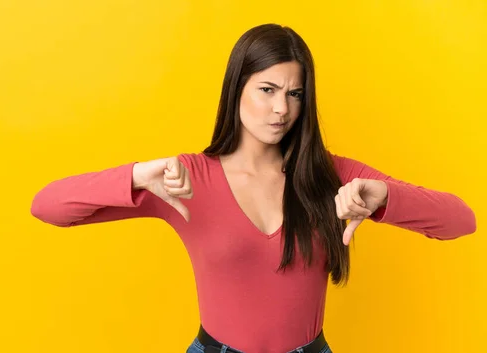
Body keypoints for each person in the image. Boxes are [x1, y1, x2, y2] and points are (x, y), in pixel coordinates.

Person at [30, 23, 476, 353]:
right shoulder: (184, 180)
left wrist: (384, 198)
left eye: (295, 94)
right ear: (236, 87)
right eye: (267, 89)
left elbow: (461, 220)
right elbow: (48, 206)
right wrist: (134, 176)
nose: (281, 108)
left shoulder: (332, 176)